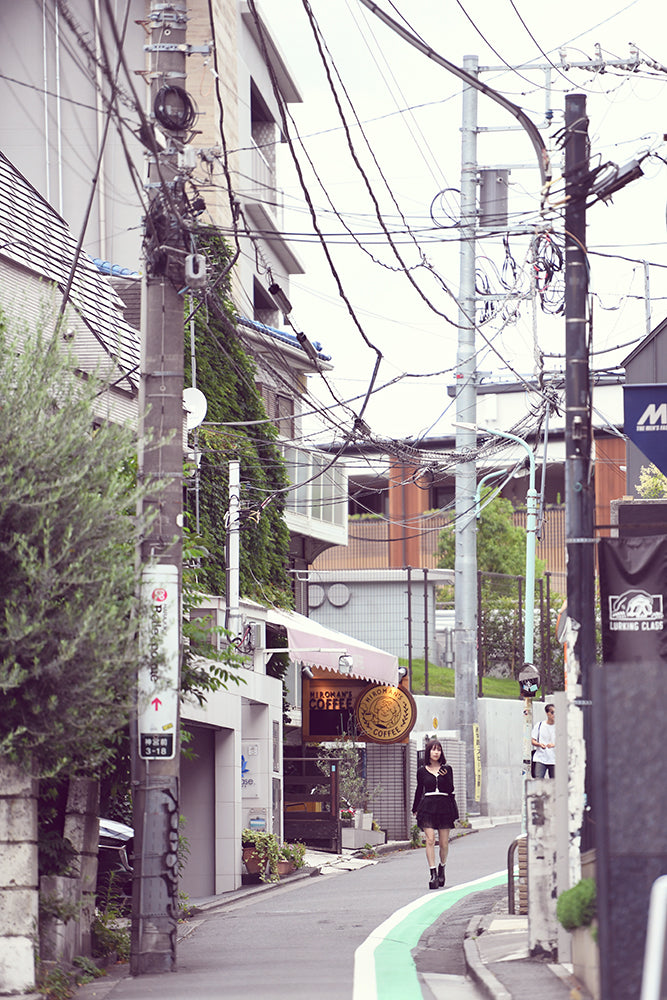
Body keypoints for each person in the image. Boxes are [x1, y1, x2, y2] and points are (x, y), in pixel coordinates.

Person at [412, 739, 459, 890]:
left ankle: (442, 868)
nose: (436, 752)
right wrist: (415, 808)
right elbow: (419, 790)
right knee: (430, 839)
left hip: (444, 806)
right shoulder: (421, 770)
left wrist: (444, 776)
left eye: (438, 750)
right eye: (433, 749)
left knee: (444, 843)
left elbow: (450, 789)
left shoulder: (447, 769)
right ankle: (432, 873)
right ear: (428, 752)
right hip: (427, 806)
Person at [531, 703, 556, 778]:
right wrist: (539, 744)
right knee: (538, 781)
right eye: (552, 712)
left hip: (555, 759)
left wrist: (554, 745)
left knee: (555, 784)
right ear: (547, 713)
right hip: (540, 758)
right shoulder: (539, 725)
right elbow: (533, 741)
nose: (554, 715)